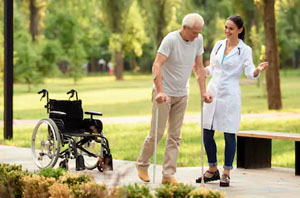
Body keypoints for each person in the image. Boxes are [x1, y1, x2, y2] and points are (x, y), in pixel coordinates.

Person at [136, 13, 213, 184]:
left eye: (199, 32)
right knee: (157, 133)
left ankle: (168, 174)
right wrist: (160, 91)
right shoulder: (170, 40)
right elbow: (157, 64)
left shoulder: (198, 40)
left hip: (182, 93)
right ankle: (142, 164)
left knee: (175, 136)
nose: (197, 35)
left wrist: (203, 92)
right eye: (194, 32)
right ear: (184, 28)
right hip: (164, 93)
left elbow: (199, 67)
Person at [195, 15, 269, 187]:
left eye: (231, 28)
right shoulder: (219, 45)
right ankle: (212, 169)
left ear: (240, 30)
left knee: (229, 133)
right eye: (226, 27)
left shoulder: (245, 50)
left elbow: (250, 73)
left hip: (230, 95)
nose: (227, 31)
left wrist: (258, 70)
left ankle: (226, 172)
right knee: (207, 131)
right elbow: (211, 69)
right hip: (212, 93)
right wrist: (199, 69)